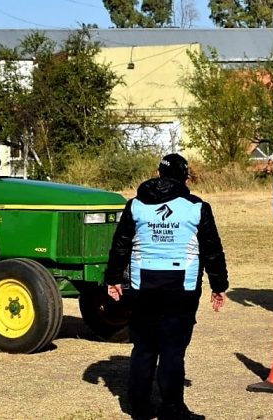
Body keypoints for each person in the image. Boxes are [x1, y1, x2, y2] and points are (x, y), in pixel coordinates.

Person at [105, 153, 229, 420]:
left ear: (158, 173)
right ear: (186, 178)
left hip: (142, 285)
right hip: (181, 287)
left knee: (144, 346)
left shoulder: (135, 206)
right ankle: (172, 408)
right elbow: (212, 251)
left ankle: (138, 407)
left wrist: (113, 279)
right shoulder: (197, 208)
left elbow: (120, 245)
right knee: (173, 348)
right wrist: (219, 285)